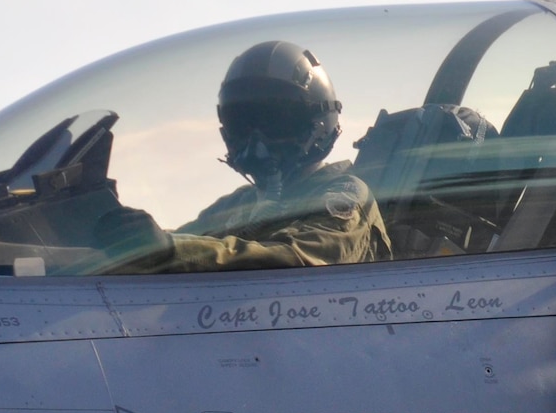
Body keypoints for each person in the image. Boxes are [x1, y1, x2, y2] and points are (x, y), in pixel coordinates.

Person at [96, 40, 389, 272]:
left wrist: (170, 250)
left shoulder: (345, 196)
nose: (255, 139)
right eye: (242, 122)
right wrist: (130, 240)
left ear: (316, 125)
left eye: (273, 121)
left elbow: (291, 261)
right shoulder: (239, 203)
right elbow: (185, 242)